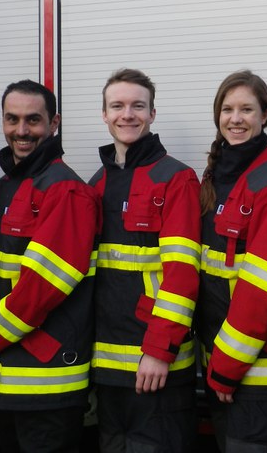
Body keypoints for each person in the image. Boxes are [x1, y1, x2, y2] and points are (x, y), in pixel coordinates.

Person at [0, 80, 99, 452]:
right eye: (12, 119)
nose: (21, 130)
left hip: (46, 381)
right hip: (2, 374)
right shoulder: (6, 186)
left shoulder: (65, 190)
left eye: (33, 120)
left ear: (54, 123)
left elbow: (42, 287)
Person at [197, 70, 267, 453]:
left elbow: (259, 288)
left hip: (257, 369)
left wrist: (227, 367)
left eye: (246, 109)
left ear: (265, 115)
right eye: (227, 109)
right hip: (221, 360)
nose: (236, 118)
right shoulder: (220, 174)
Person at [89, 68, 201, 452]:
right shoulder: (95, 184)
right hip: (107, 365)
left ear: (152, 114)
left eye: (138, 106)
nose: (127, 115)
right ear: (104, 114)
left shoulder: (176, 178)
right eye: (117, 106)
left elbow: (182, 274)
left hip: (156, 365)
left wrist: (159, 350)